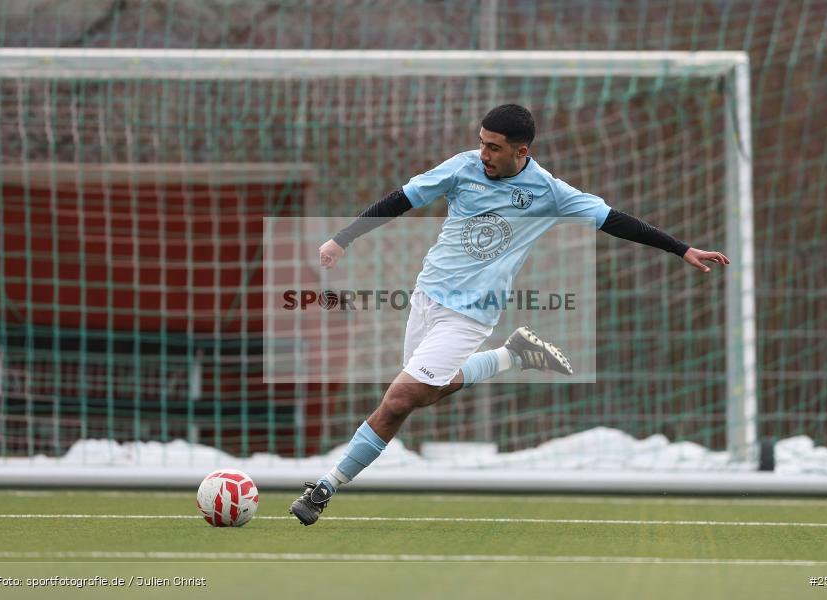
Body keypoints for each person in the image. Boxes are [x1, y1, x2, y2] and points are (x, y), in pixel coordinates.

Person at [289, 104, 729, 525]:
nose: (484, 154)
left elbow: (613, 219)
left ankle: (325, 487)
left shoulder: (548, 191)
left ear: (522, 151)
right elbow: (401, 199)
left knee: (399, 400)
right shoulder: (462, 167)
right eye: (482, 142)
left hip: (471, 314)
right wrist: (343, 238)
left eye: (494, 147)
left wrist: (681, 249)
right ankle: (511, 355)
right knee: (422, 395)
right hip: (426, 297)